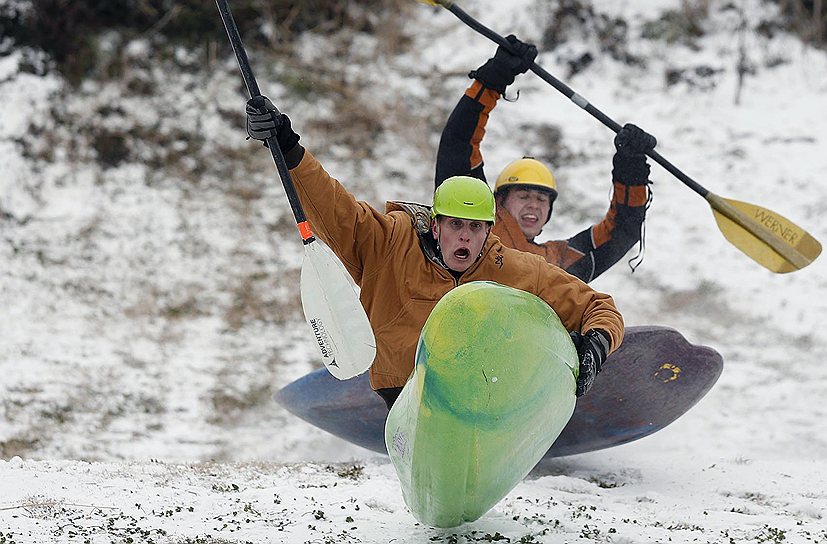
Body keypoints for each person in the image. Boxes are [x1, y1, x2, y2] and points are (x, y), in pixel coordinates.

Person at [245, 96, 624, 409]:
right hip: (401, 391)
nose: (465, 236)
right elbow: (332, 206)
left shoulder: (513, 267)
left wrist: (594, 346)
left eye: (475, 227)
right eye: (455, 225)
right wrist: (286, 145)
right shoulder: (388, 242)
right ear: (436, 224)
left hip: (480, 395)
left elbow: (599, 307)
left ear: (489, 231)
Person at [435, 35, 655, 283]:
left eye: (541, 199)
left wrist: (630, 170)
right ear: (499, 201)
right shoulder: (477, 227)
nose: (534, 205)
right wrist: (492, 81)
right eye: (524, 196)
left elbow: (622, 231)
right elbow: (458, 145)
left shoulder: (559, 261)